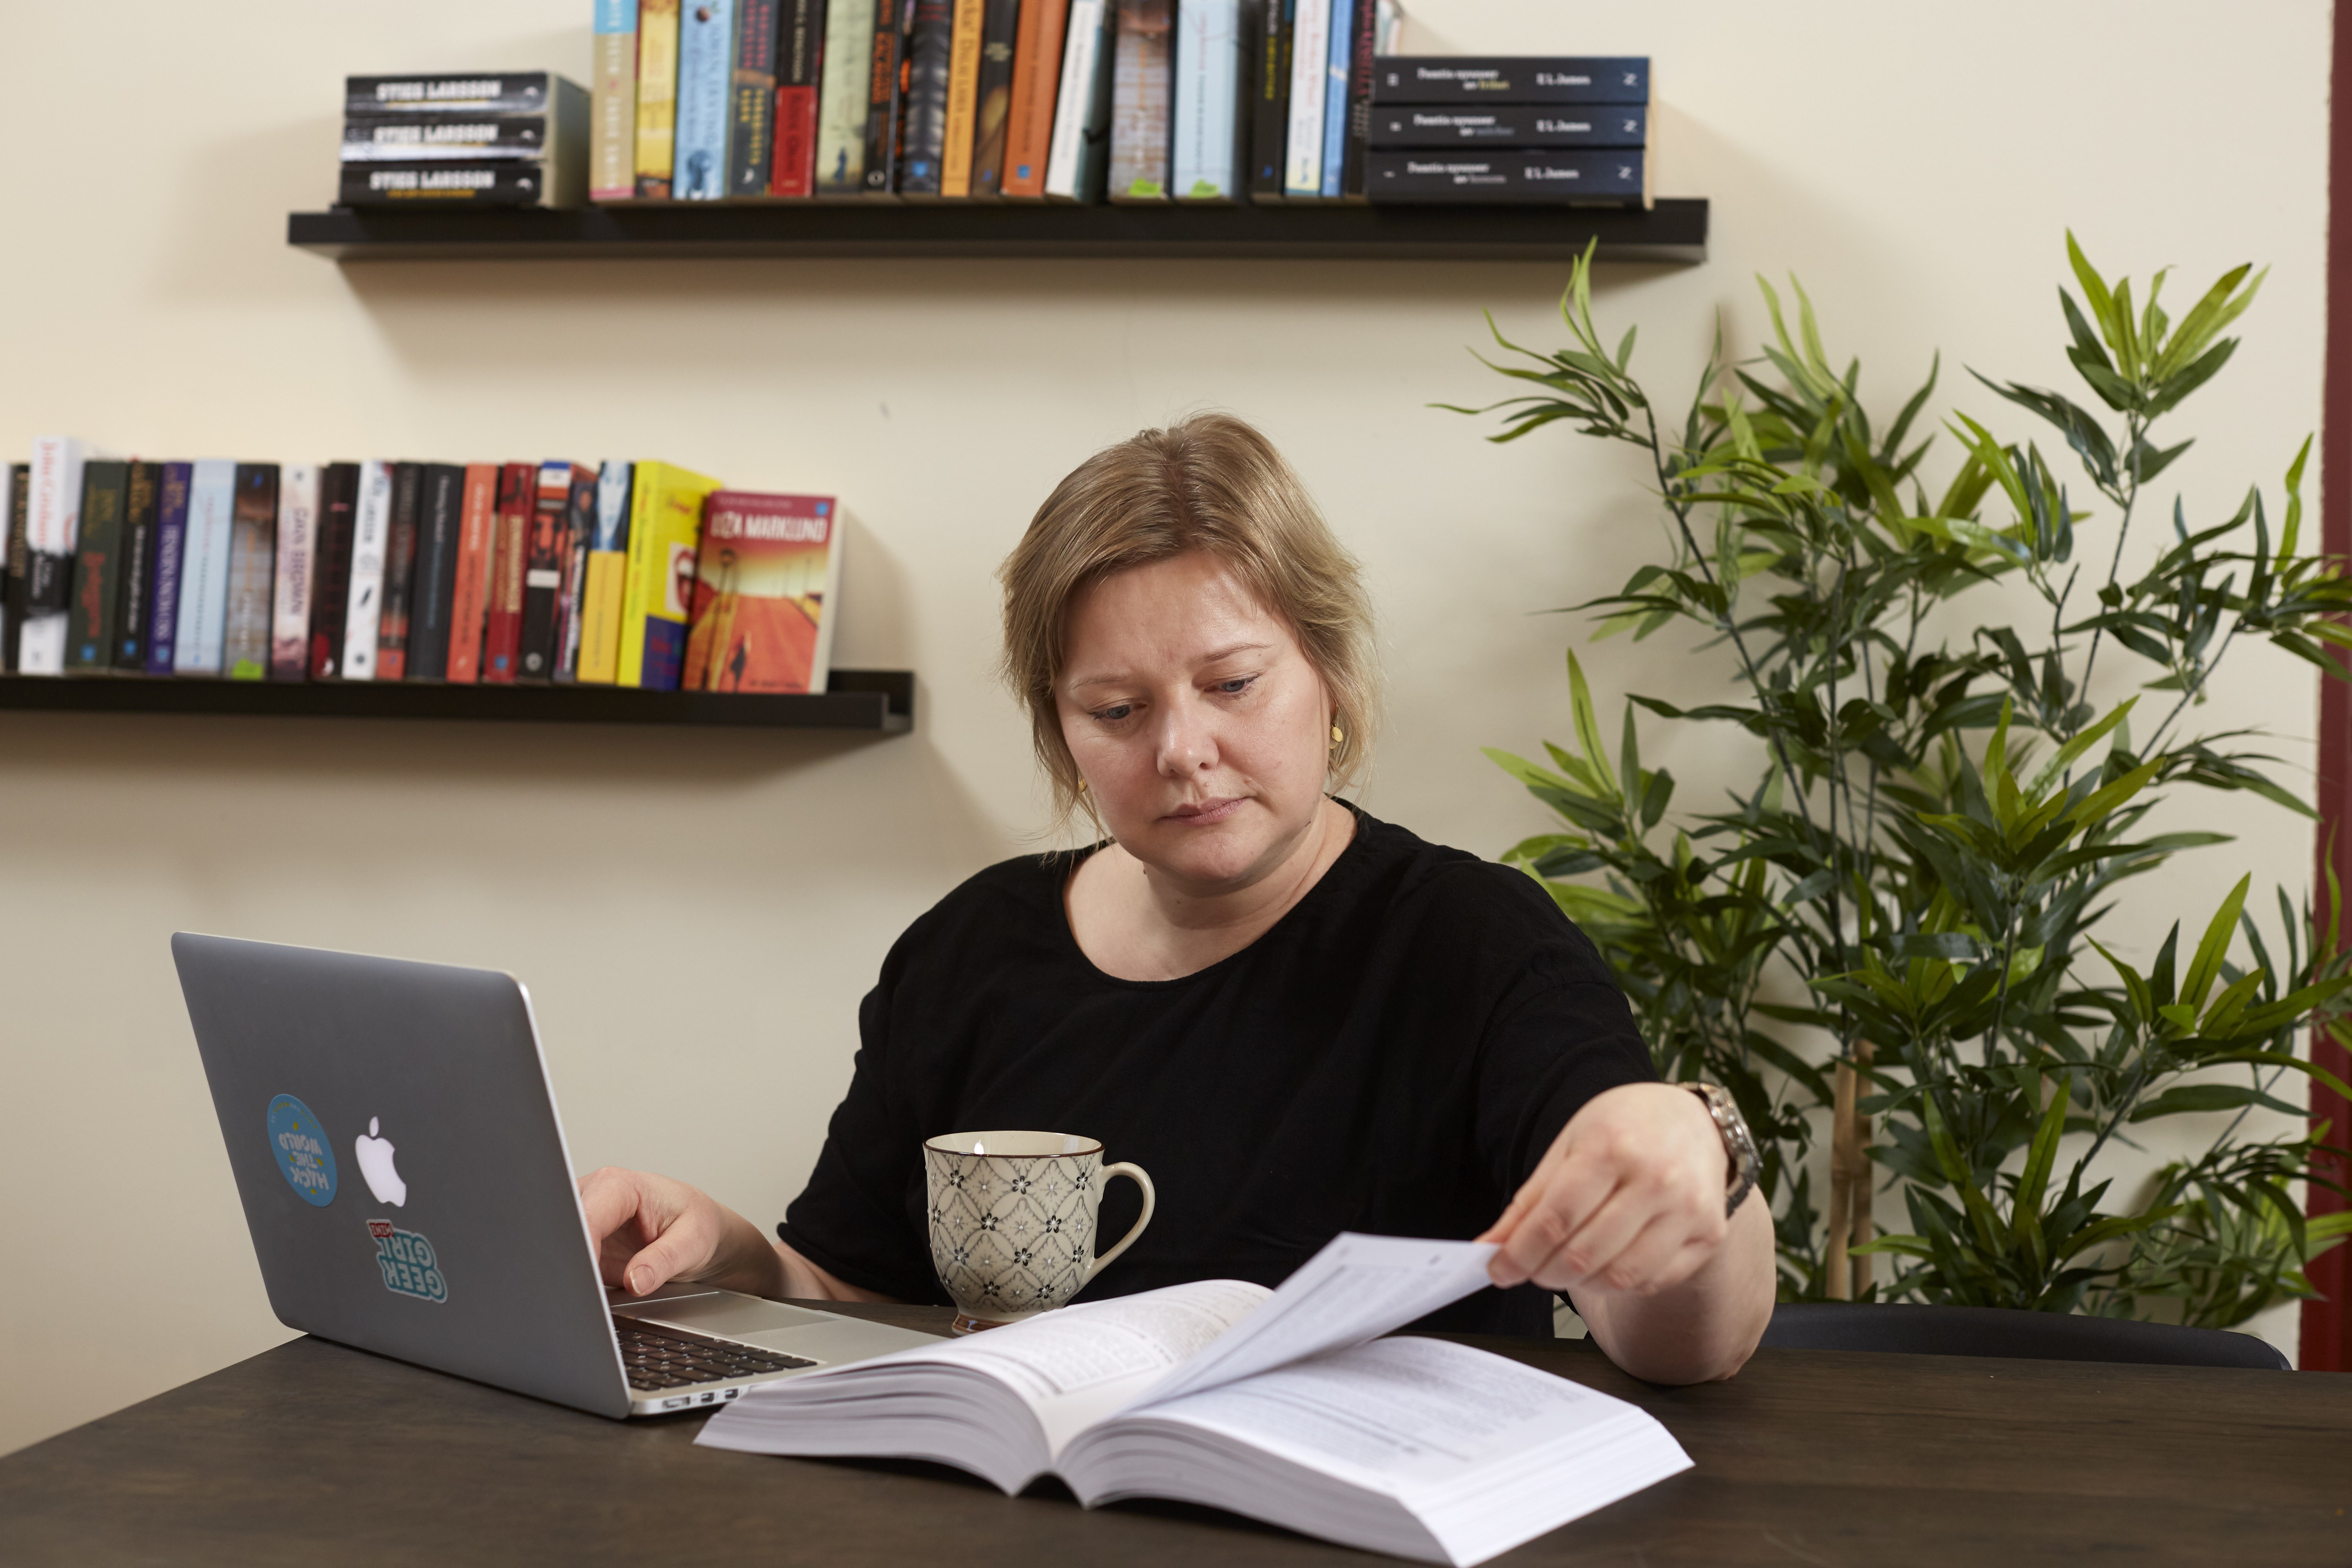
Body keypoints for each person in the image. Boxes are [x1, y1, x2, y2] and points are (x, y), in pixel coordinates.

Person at [581, 414, 1775, 1385]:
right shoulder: (968, 950)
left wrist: (1700, 1145)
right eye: (1118, 710)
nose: (1183, 751)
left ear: (1330, 677)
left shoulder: (1474, 944)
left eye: (1234, 684)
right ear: (1060, 732)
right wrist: (727, 1255)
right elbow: (852, 1292)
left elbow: (1686, 1346)